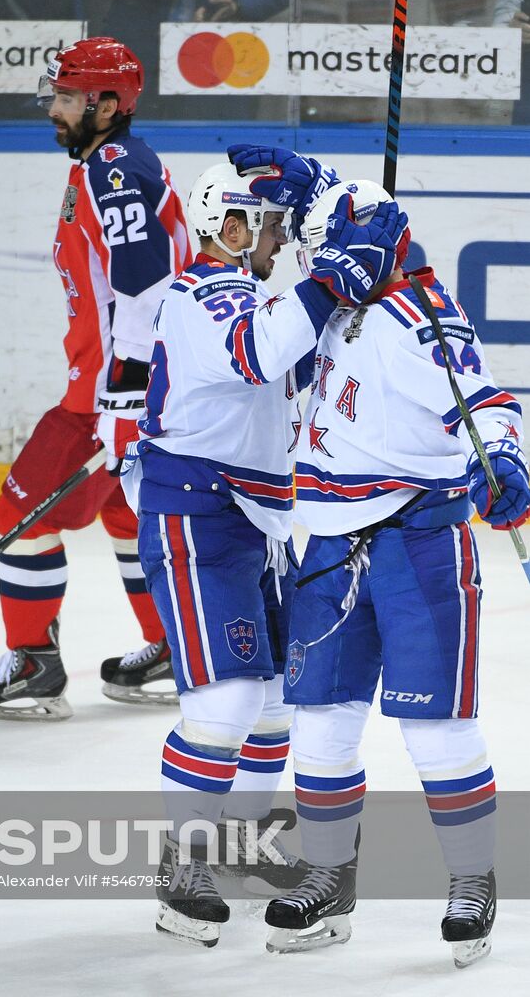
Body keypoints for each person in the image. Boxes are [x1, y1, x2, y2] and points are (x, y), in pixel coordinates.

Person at [228, 147, 530, 967]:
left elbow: (485, 400)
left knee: (436, 730)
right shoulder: (331, 299)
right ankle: (327, 876)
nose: (311, 265)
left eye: (323, 252)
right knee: (321, 726)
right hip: (324, 545)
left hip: (415, 542)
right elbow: (344, 234)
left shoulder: (418, 316)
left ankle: (472, 879)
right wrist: (316, 184)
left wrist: (502, 460)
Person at [123, 154, 405, 946]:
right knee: (225, 706)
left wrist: (330, 207)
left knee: (279, 702)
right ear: (229, 224)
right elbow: (260, 351)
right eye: (270, 223)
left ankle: (239, 850)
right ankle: (181, 871)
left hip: (258, 522)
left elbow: (305, 341)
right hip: (197, 517)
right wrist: (329, 281)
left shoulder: (256, 292)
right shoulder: (198, 294)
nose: (281, 240)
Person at [0, 38, 192, 721]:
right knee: (125, 511)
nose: (53, 110)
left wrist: (124, 391)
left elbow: (145, 283)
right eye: (55, 95)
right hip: (128, 384)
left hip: (106, 393)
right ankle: (171, 647)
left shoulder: (111, 171)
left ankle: (32, 661)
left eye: (66, 98)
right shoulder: (104, 162)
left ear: (107, 103)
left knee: (18, 515)